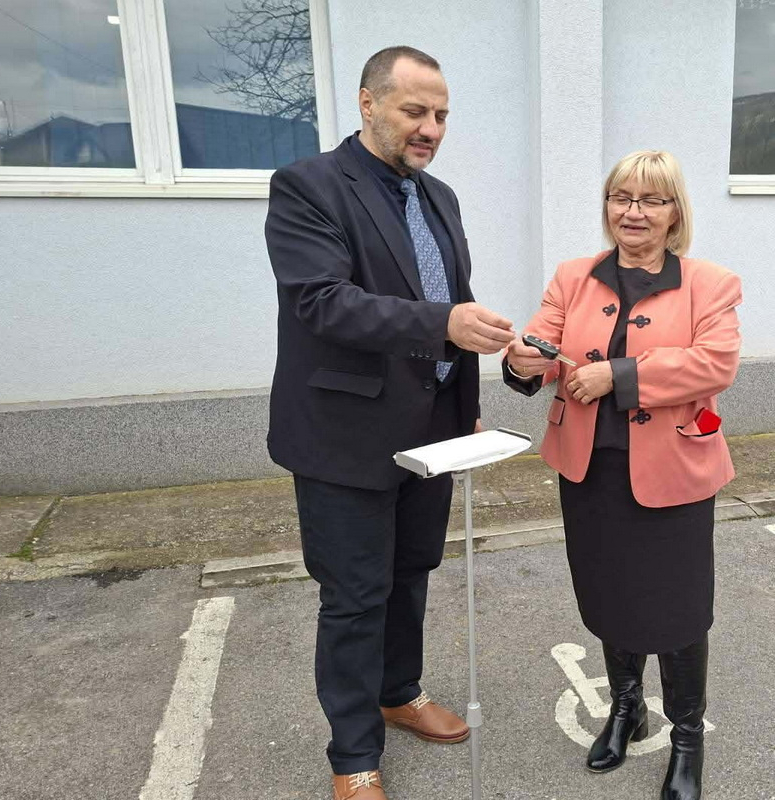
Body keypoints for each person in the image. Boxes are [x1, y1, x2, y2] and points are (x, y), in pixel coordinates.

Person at [264, 46, 514, 800]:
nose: (431, 128)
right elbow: (322, 302)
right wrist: (445, 325)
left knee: (411, 573)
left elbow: (448, 295)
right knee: (354, 596)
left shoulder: (440, 197)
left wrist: (465, 399)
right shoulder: (308, 186)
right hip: (344, 436)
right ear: (368, 103)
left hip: (433, 428)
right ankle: (353, 757)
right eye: (414, 111)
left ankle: (398, 691)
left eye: (441, 114)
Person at [503, 150, 742, 800]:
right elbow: (539, 349)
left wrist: (619, 376)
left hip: (674, 474)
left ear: (674, 213)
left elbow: (715, 363)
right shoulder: (573, 277)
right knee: (609, 594)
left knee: (678, 608)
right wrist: (523, 361)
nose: (633, 212)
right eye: (621, 197)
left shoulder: (710, 284)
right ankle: (626, 708)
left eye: (651, 200)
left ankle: (687, 740)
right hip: (590, 472)